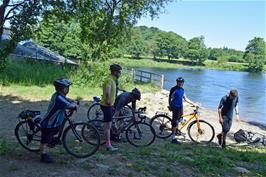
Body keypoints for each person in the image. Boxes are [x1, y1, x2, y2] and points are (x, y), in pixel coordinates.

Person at [39, 78, 78, 163]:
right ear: (61, 88)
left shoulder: (59, 95)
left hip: (55, 122)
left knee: (56, 130)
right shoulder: (58, 98)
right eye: (66, 88)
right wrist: (74, 105)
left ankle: (52, 139)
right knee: (45, 140)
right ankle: (43, 154)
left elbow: (67, 100)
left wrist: (73, 101)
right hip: (49, 123)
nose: (68, 89)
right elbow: (68, 105)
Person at [168, 77, 197, 144]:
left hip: (180, 107)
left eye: (181, 82)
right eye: (179, 82)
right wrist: (170, 105)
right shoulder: (173, 89)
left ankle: (176, 131)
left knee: (180, 119)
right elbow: (170, 98)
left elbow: (185, 98)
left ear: (183, 83)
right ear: (177, 82)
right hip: (175, 107)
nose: (180, 83)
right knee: (175, 122)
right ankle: (173, 138)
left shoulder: (182, 90)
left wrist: (193, 103)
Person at [100, 64, 122, 151]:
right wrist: (108, 101)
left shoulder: (113, 80)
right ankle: (108, 146)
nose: (120, 74)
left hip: (109, 105)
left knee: (108, 125)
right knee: (107, 127)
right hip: (106, 105)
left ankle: (107, 142)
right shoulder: (109, 80)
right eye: (119, 72)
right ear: (115, 72)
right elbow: (108, 92)